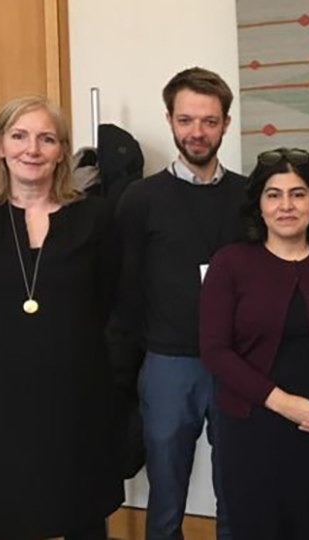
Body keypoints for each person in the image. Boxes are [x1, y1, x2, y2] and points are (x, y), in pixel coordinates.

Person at [0, 95, 123, 538]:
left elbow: (110, 301)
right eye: (19, 136)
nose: (32, 149)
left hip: (76, 391)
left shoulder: (96, 218)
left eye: (46, 138)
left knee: (81, 510)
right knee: (2, 512)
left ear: (62, 150)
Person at [199, 147, 309, 540]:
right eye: (273, 194)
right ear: (259, 205)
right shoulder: (229, 264)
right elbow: (215, 350)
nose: (286, 206)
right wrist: (285, 404)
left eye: (298, 193)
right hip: (253, 428)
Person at [107, 67, 246, 539]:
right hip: (167, 363)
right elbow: (125, 288)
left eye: (209, 121)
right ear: (169, 120)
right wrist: (123, 367)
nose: (197, 132)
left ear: (226, 123)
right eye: (186, 120)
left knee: (239, 487)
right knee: (166, 495)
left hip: (237, 364)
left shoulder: (251, 196)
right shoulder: (140, 198)